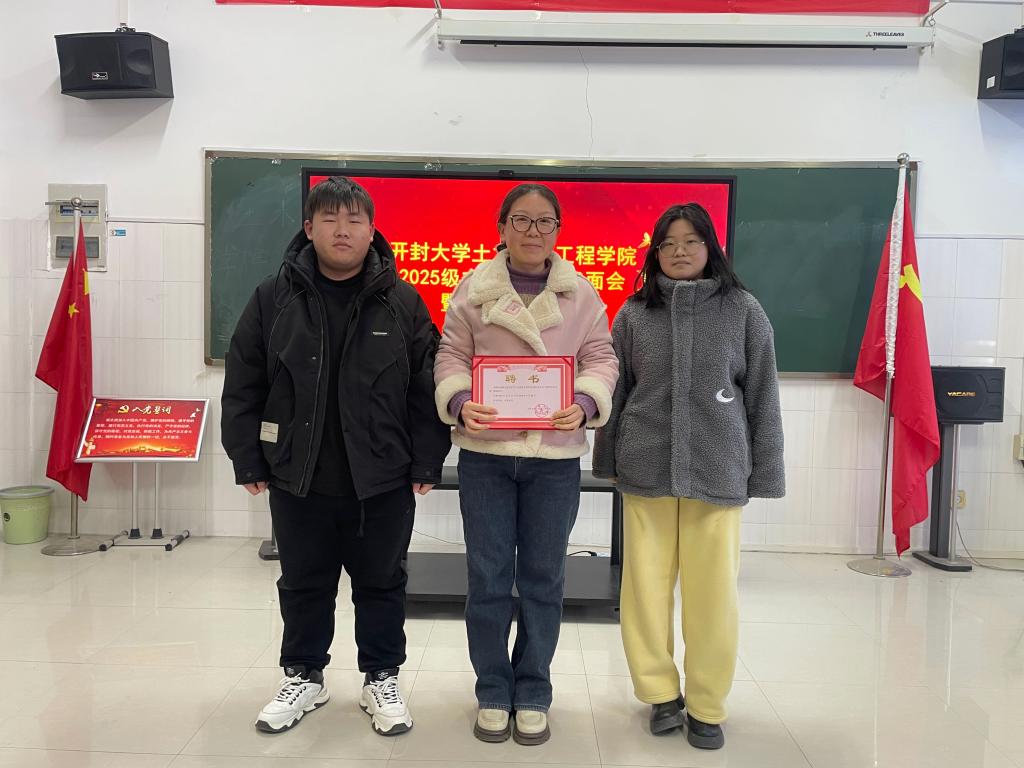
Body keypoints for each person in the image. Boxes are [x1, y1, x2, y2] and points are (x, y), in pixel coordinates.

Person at [221, 176, 450, 736]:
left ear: (372, 231)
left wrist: (427, 460)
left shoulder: (402, 302)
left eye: (354, 220)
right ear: (309, 228)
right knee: (303, 584)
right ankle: (304, 676)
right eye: (329, 219)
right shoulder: (273, 298)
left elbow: (426, 388)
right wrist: (247, 458)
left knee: (382, 584)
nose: (341, 230)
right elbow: (244, 383)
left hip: (382, 478)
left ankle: (381, 678)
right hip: (298, 475)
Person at [593, 202, 785, 750]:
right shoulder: (634, 314)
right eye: (669, 243)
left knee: (713, 596)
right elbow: (618, 393)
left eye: (691, 241)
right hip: (646, 466)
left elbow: (763, 395)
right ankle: (660, 694)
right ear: (655, 252)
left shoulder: (743, 310)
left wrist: (765, 471)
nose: (679, 251)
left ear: (710, 248)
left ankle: (706, 705)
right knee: (644, 591)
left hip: (718, 469)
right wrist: (606, 460)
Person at [433, 183, 618, 745]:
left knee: (544, 578)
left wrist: (585, 401)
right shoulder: (473, 288)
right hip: (487, 456)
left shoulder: (580, 292)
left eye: (544, 222)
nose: (533, 231)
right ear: (502, 228)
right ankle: (493, 688)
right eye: (521, 220)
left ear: (558, 230)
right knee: (487, 577)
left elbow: (601, 357)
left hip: (553, 457)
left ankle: (534, 688)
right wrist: (460, 401)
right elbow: (451, 354)